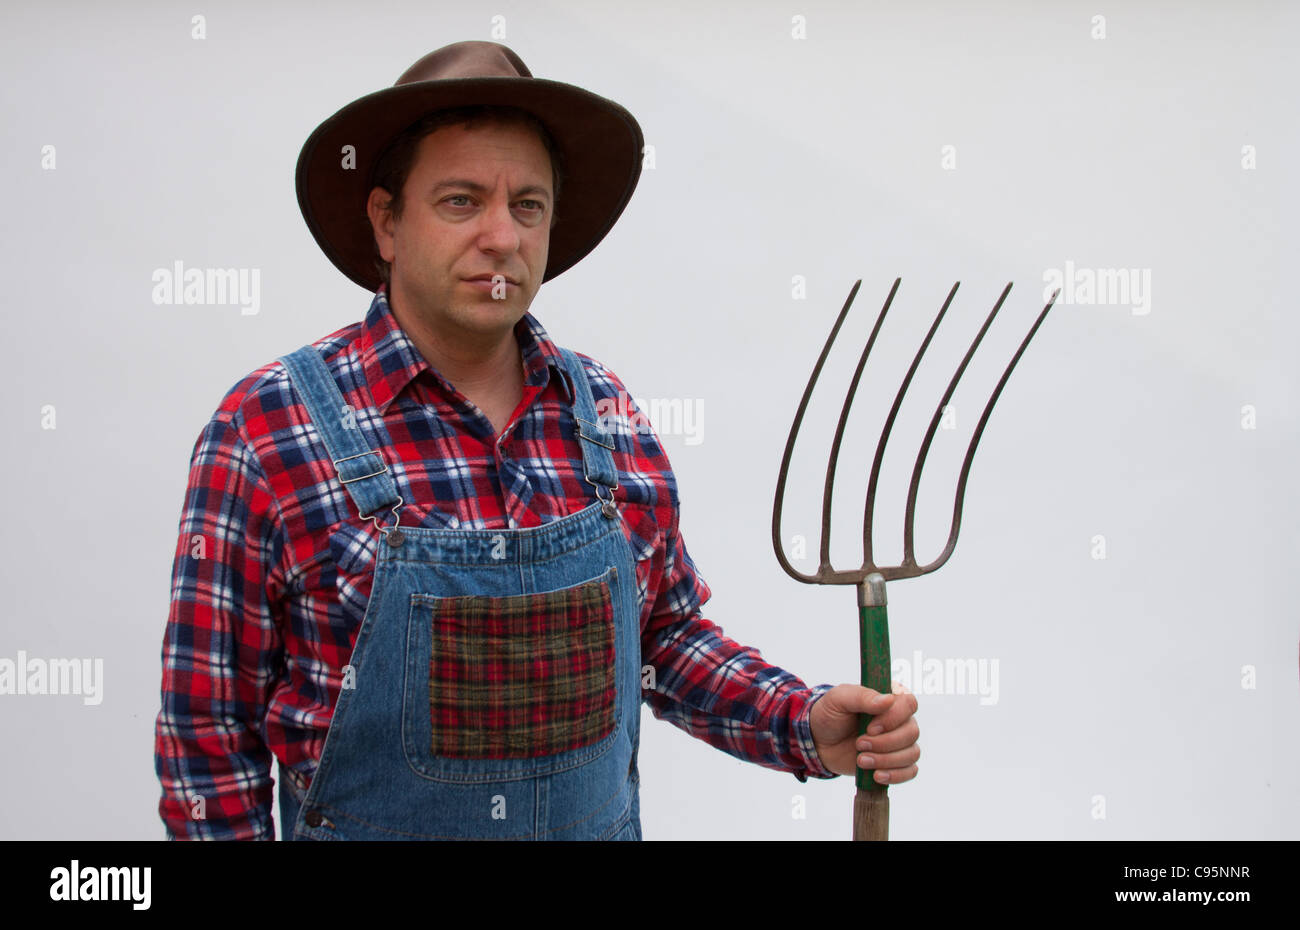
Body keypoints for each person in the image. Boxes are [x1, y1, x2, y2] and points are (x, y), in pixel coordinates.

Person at [154, 40, 920, 841]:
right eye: (460, 201)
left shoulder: (604, 413)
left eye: (528, 205)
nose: (501, 237)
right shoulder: (269, 428)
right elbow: (207, 738)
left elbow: (665, 637)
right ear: (386, 221)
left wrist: (803, 723)